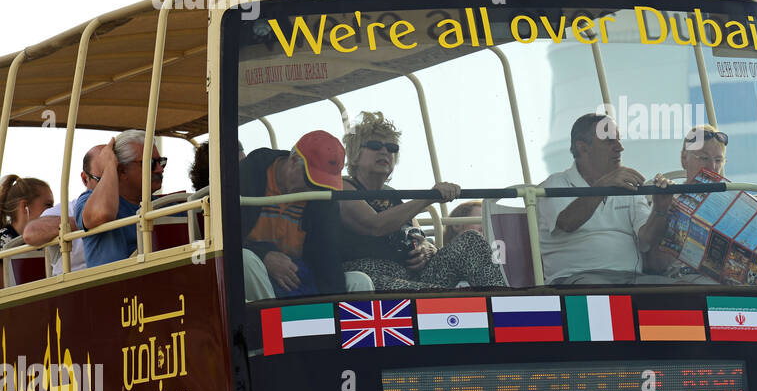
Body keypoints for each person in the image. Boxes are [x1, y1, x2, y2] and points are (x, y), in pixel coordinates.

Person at [336, 112, 504, 291]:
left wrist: (427, 248)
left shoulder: (394, 196)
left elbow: (416, 233)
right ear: (354, 154)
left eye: (392, 148)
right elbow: (375, 225)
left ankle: (500, 301)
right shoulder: (343, 187)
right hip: (368, 275)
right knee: (436, 294)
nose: (385, 151)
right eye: (375, 145)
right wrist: (428, 197)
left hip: (411, 276)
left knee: (471, 240)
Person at [646, 124, 757, 280]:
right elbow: (655, 264)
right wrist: (664, 215)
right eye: (704, 158)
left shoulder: (734, 199)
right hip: (682, 288)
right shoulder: (665, 199)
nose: (712, 167)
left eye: (718, 160)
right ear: (684, 159)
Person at [536, 113, 673, 285]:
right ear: (582, 148)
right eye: (609, 141)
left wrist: (660, 209)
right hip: (576, 279)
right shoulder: (555, 184)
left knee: (681, 292)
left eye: (619, 140)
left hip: (631, 281)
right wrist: (603, 186)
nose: (619, 147)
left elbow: (647, 238)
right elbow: (567, 222)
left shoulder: (628, 187)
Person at [241, 130, 373, 300]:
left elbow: (327, 256)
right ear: (294, 160)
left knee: (359, 281)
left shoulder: (321, 197)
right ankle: (273, 323)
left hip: (299, 275)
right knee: (245, 259)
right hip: (257, 273)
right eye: (312, 180)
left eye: (322, 185)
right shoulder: (247, 176)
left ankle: (333, 325)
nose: (313, 191)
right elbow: (225, 237)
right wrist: (263, 256)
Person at [74, 131, 167, 268]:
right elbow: (102, 214)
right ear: (122, 170)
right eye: (151, 163)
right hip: (115, 287)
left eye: (161, 162)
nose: (160, 169)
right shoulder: (88, 200)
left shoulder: (165, 206)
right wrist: (110, 164)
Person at [24, 145, 103, 273]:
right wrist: (88, 220)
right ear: (85, 179)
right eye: (103, 178)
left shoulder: (137, 203)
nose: (111, 183)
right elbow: (31, 233)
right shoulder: (69, 209)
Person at [0, 175, 54, 249]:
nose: (53, 210)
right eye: (48, 205)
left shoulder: (48, 242)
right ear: (24, 206)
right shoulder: (2, 242)